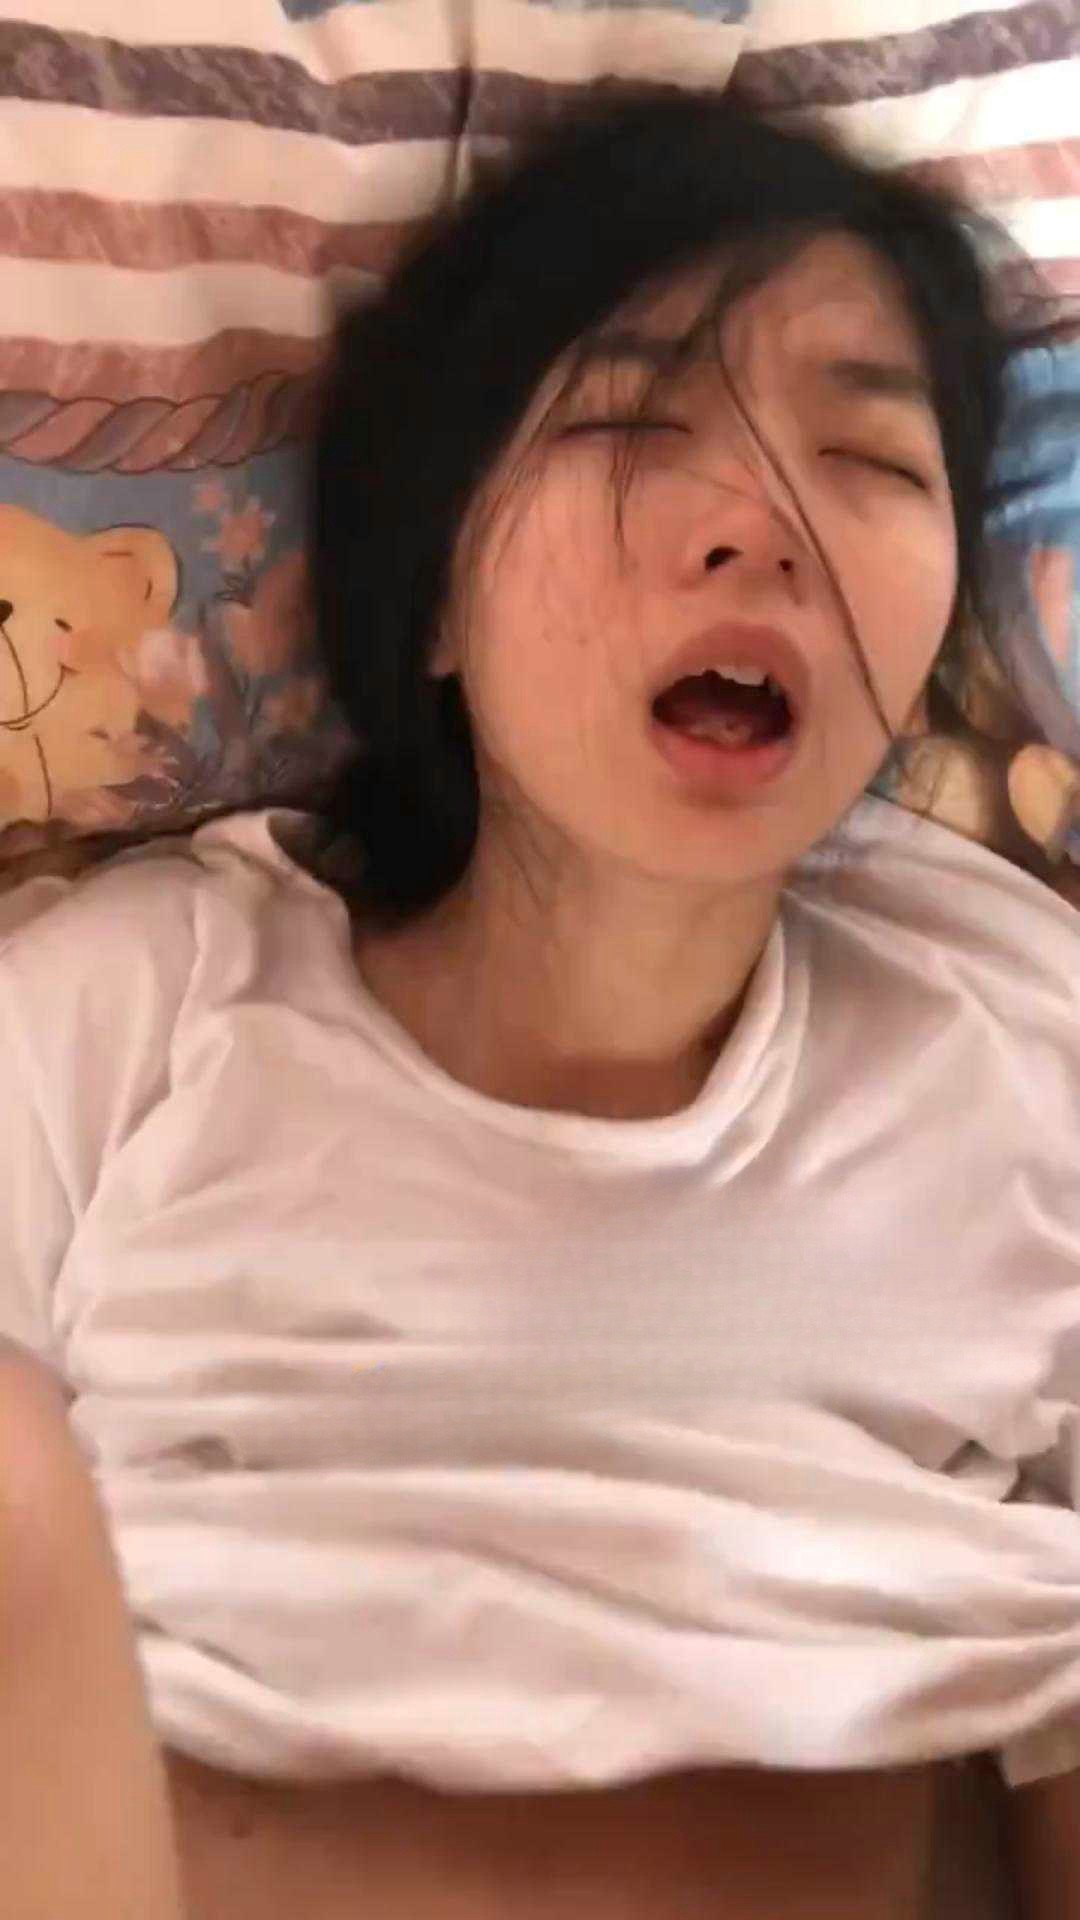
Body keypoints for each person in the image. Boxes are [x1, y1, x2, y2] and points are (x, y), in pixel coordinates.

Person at [1, 86, 1078, 1920]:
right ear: (431, 595)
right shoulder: (140, 1019)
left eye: (871, 462)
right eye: (628, 424)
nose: (763, 528)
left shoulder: (1014, 1040)